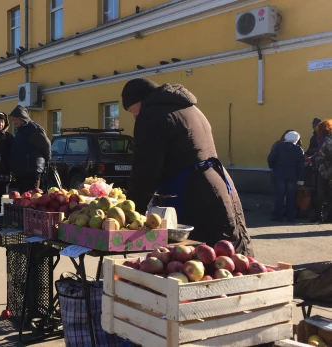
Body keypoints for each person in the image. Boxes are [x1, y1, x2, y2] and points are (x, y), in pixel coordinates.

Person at [121, 78, 254, 256]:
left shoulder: (151, 115)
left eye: (131, 110)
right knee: (230, 251)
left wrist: (131, 213)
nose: (134, 116)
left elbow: (145, 170)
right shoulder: (189, 108)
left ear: (140, 101)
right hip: (218, 182)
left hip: (191, 192)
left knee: (197, 259)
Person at [8, 105, 51, 193]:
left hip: (32, 172)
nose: (14, 122)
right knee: (23, 199)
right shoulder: (21, 130)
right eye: (13, 120)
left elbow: (46, 146)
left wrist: (45, 161)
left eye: (15, 119)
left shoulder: (34, 129)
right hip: (22, 172)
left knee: (32, 199)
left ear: (22, 118)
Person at [267, 131, 305, 222]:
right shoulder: (299, 149)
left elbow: (270, 159)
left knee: (279, 196)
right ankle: (290, 217)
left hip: (279, 174)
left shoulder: (278, 147)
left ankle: (278, 216)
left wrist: (273, 167)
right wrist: (301, 180)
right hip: (292, 176)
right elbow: (301, 166)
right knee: (291, 197)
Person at [310, 119, 332, 220]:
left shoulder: (327, 139)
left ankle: (320, 216)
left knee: (322, 194)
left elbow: (321, 153)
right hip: (326, 169)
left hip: (325, 170)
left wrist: (314, 160)